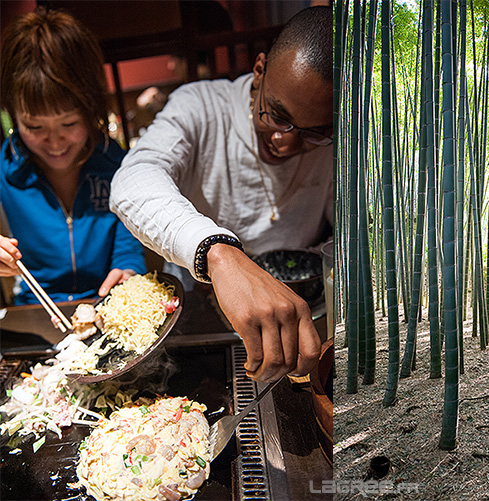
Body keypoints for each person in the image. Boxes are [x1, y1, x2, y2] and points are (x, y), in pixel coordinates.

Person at [110, 6, 333, 383]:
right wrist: (218, 253)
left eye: (312, 132)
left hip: (302, 317)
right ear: (259, 71)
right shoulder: (201, 107)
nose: (284, 140)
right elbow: (132, 180)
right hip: (196, 317)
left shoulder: (341, 136)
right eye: (276, 115)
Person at [0, 8, 146, 306]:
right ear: (12, 115)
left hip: (107, 304)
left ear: (91, 110)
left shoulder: (113, 162)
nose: (54, 142)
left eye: (69, 124)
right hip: (34, 309)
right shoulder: (6, 169)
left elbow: (127, 242)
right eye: (34, 126)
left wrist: (128, 270)